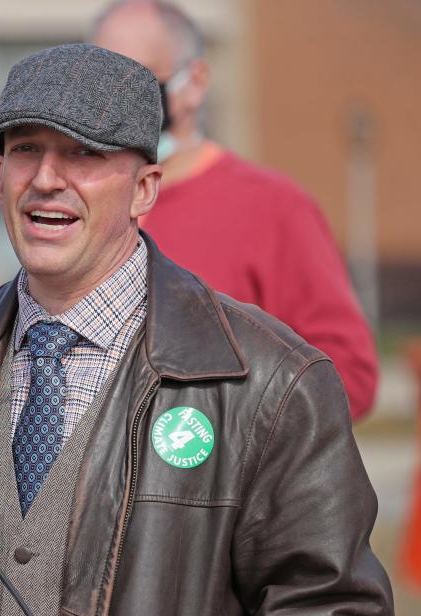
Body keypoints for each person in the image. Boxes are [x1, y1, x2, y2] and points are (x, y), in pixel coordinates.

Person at [0, 44, 392, 616]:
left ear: (145, 190)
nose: (46, 179)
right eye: (24, 149)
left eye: (83, 152)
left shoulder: (273, 381)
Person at [92, 0, 379, 420]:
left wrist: (221, 422)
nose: (117, 103)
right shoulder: (83, 199)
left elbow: (349, 378)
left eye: (139, 82)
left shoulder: (274, 207)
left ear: (195, 82)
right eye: (101, 84)